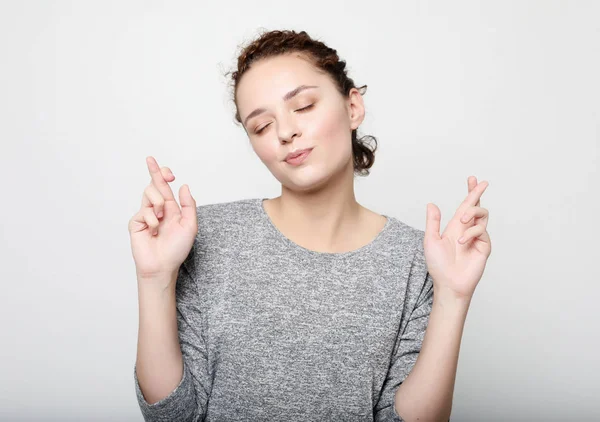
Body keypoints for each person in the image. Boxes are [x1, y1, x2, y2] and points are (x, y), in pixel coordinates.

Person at [127, 29, 492, 422]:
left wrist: (453, 296)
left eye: (302, 106)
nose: (286, 132)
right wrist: (155, 278)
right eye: (262, 127)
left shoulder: (418, 260)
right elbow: (173, 416)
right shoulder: (204, 237)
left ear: (353, 106)